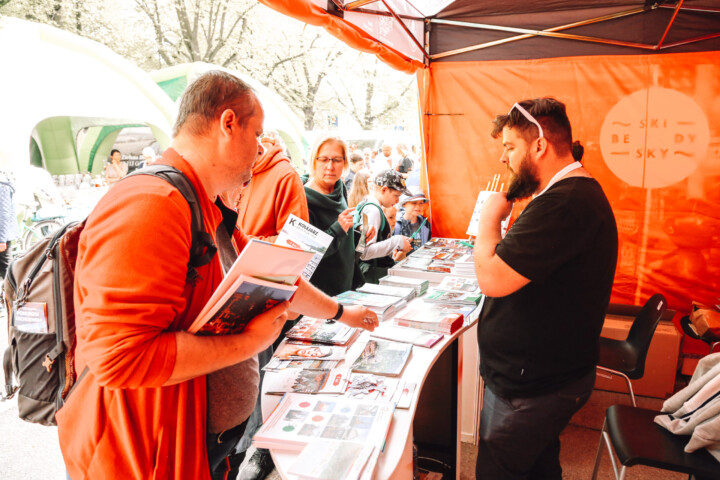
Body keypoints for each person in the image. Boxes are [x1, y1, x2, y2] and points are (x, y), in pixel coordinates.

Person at [57, 71, 378, 480]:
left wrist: (340, 313)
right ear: (227, 124)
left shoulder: (202, 204)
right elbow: (120, 359)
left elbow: (275, 277)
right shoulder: (151, 204)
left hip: (199, 444)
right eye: (257, 134)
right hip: (149, 454)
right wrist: (248, 343)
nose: (261, 149)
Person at [472, 97, 618, 479]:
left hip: (533, 385)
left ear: (539, 145)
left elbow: (491, 278)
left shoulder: (563, 203)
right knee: (537, 465)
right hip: (544, 376)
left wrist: (487, 219)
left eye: (509, 146)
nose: (504, 158)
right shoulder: (565, 195)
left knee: (500, 470)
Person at [221, 133, 309, 480]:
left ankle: (258, 447)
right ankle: (246, 448)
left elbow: (298, 242)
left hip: (261, 289)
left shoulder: (282, 175)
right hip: (238, 292)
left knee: (260, 371)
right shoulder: (221, 176)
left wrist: (255, 247)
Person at [303, 136, 361, 296]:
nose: (330, 166)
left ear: (345, 162)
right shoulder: (302, 199)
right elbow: (307, 256)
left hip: (346, 285)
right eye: (323, 159)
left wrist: (358, 232)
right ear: (313, 161)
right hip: (320, 294)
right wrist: (338, 229)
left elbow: (344, 230)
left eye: (336, 160)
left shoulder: (339, 186)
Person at [357, 169, 413, 283]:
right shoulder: (373, 210)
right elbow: (364, 252)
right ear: (384, 189)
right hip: (371, 275)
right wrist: (397, 241)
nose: (397, 201)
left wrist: (394, 247)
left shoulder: (368, 204)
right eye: (396, 195)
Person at [395, 188, 431, 253]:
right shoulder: (397, 225)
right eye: (414, 203)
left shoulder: (425, 224)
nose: (418, 206)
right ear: (404, 204)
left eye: (421, 203)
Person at [0, 172, 20, 278]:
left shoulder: (2, 185)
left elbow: (4, 214)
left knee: (7, 270)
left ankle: (12, 294)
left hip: (3, 235)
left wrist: (2, 240)